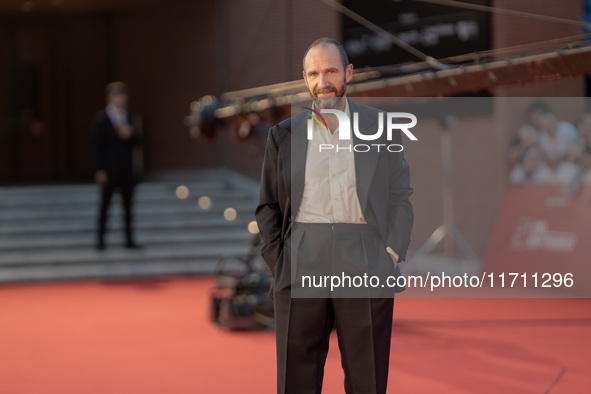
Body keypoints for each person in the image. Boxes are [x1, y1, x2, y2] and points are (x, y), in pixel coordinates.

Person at [255, 38, 414, 394]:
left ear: (348, 73)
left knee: (367, 375)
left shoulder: (381, 127)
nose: (322, 81)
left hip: (363, 254)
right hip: (302, 255)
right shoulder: (284, 134)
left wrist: (390, 255)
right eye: (314, 73)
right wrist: (279, 262)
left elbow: (401, 198)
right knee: (296, 376)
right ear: (305, 78)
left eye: (330, 71)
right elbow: (268, 206)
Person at [92, 81, 141, 250]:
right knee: (105, 205)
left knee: (128, 207)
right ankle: (100, 240)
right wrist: (100, 169)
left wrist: (130, 134)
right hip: (109, 169)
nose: (121, 99)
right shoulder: (101, 120)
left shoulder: (129, 118)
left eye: (123, 95)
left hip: (126, 169)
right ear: (109, 98)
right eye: (117, 95)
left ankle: (129, 239)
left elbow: (138, 143)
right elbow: (97, 147)